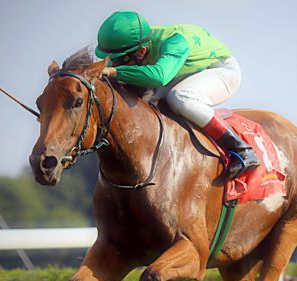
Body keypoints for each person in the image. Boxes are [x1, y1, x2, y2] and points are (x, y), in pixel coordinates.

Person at [95, 11, 260, 179]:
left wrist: (115, 71)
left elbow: (159, 77)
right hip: (182, 72)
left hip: (220, 70)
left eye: (118, 60)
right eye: (111, 59)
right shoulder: (133, 47)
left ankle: (241, 149)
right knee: (143, 102)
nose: (113, 63)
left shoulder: (174, 42)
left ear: (141, 51)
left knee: (180, 98)